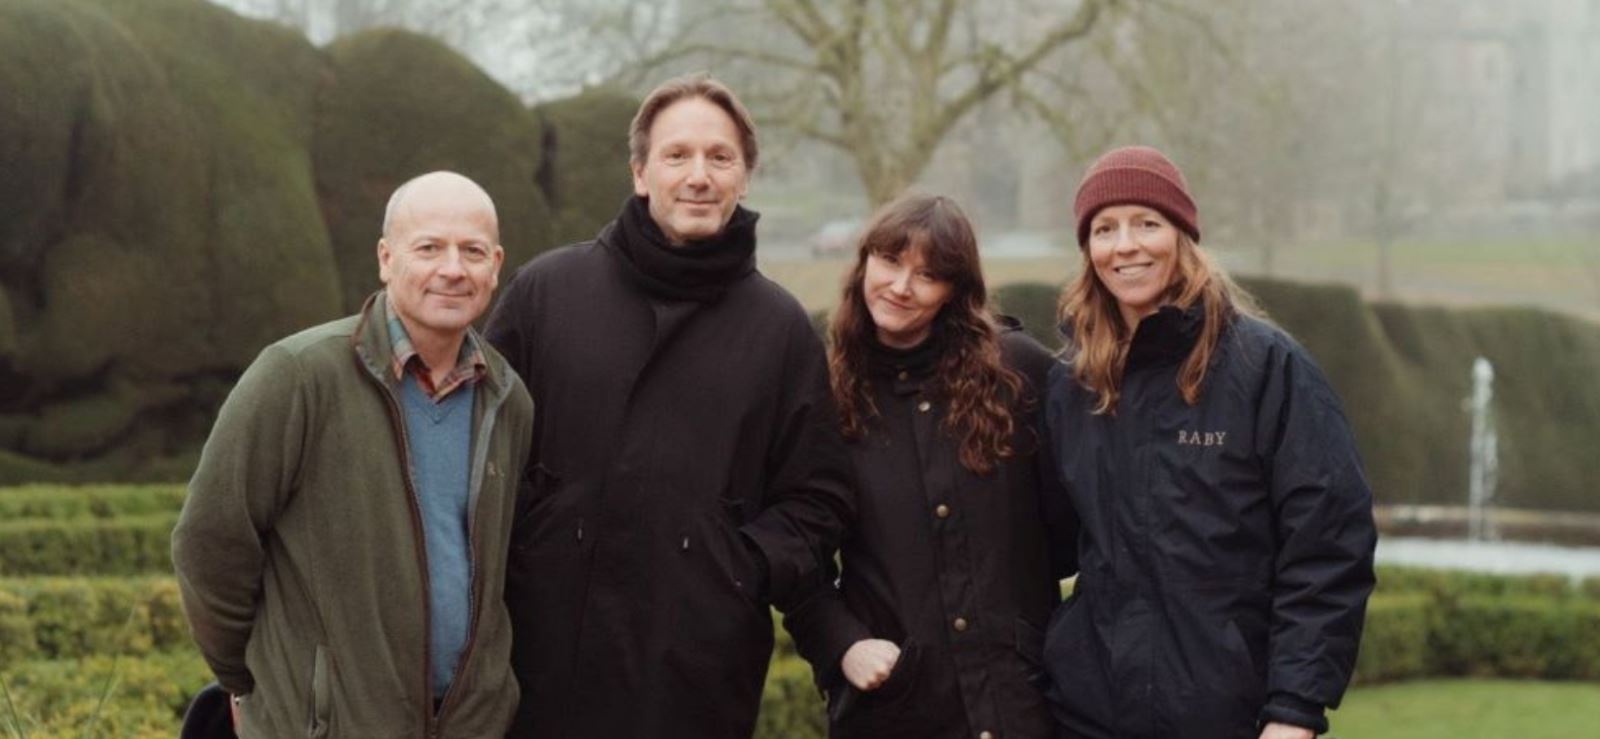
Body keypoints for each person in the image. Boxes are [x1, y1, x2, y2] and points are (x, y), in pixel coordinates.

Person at [484, 74, 852, 738]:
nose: (699, 176)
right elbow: (474, 446)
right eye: (677, 155)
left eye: (720, 157)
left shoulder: (781, 329)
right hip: (534, 660)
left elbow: (817, 498)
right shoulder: (547, 292)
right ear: (640, 173)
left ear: (744, 177)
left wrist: (734, 564)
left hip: (694, 672)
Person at [171, 172, 533, 738]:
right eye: (429, 248)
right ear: (387, 259)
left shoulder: (507, 397)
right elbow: (211, 540)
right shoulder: (298, 376)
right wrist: (248, 681)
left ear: (496, 265)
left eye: (473, 251)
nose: (453, 269)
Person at [1040, 146, 1378, 739]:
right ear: (1088, 250)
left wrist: (1295, 710)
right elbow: (1049, 543)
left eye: (1147, 223)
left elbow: (1328, 545)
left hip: (1229, 716)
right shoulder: (1074, 385)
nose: (1125, 245)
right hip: (1089, 717)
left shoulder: (1266, 369)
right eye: (1104, 229)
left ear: (1183, 235)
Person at [784, 194, 1078, 739]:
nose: (901, 286)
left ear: (955, 291)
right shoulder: (823, 396)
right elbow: (795, 554)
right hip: (895, 709)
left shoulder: (1019, 374)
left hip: (1023, 707)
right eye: (891, 262)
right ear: (865, 262)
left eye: (928, 274)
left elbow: (1073, 534)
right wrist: (841, 643)